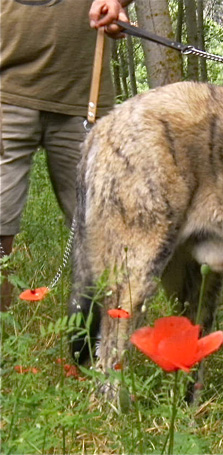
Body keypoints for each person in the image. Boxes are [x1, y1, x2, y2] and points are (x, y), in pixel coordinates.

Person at [0, 0, 131, 310]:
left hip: (85, 93)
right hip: (5, 93)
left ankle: (97, 338)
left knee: (101, 222)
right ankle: (3, 339)